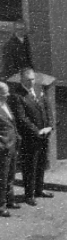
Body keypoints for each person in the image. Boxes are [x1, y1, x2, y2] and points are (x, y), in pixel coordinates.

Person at [12, 61, 52, 202]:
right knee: (30, 167)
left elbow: (47, 108)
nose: (31, 82)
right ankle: (29, 195)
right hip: (30, 138)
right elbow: (22, 119)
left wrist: (49, 126)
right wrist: (38, 131)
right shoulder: (17, 96)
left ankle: (39, 190)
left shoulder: (38, 90)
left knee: (41, 164)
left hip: (43, 135)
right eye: (28, 80)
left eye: (33, 79)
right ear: (22, 80)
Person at [0, 75, 17, 216]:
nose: (8, 95)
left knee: (11, 175)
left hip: (12, 146)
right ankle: (1, 206)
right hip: (3, 149)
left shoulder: (5, 105)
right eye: (5, 93)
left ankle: (10, 200)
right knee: (2, 178)